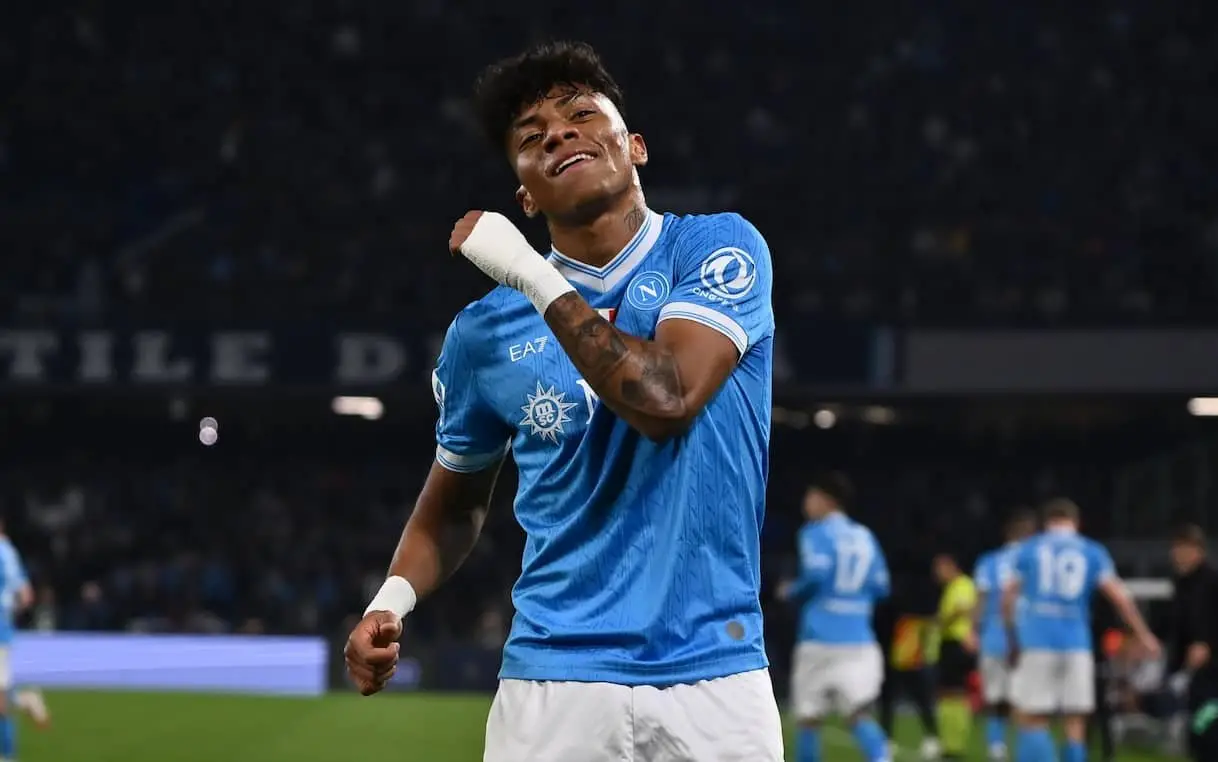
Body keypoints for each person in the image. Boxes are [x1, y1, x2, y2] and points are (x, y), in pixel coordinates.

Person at [344, 41, 782, 761]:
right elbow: (454, 505)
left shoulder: (715, 250)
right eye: (531, 137)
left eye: (581, 115)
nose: (557, 134)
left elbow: (667, 397)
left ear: (634, 146)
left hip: (715, 676)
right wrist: (388, 603)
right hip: (551, 683)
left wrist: (531, 275)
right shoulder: (483, 334)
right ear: (524, 196)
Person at [1003, 498, 1161, 762]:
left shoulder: (1029, 549)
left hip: (1038, 642)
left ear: (1045, 523)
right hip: (1077, 645)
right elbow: (1120, 597)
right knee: (1075, 721)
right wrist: (1144, 635)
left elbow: (1007, 598)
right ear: (1076, 522)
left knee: (1033, 717)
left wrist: (1011, 638)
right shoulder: (1092, 551)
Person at [779, 474, 892, 762]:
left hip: (820, 636)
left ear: (826, 499)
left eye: (810, 496)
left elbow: (816, 574)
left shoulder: (815, 532)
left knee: (808, 717)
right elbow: (882, 586)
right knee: (858, 714)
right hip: (860, 639)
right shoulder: (865, 535)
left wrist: (790, 590)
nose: (806, 503)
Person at [972, 509, 1037, 761]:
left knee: (995, 697)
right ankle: (1023, 749)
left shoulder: (989, 561)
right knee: (1023, 699)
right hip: (1026, 638)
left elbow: (981, 598)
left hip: (992, 636)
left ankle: (996, 746)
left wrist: (973, 631)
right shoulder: (1034, 560)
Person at [1166, 524, 1218, 760]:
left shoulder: (1212, 581)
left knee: (1207, 727)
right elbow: (1176, 626)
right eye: (1176, 549)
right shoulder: (1180, 584)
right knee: (1197, 731)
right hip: (1194, 672)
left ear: (1198, 551)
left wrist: (1207, 644)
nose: (1178, 555)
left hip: (1213, 671)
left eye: (1183, 549)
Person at [0, 521, 48, 762]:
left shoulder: (4, 552)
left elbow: (26, 594)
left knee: (0, 699)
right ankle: (25, 700)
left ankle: (8, 755)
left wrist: (6, 613)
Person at [932, 552, 978, 760]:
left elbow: (962, 609)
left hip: (957, 642)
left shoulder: (963, 584)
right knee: (946, 692)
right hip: (950, 643)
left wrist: (941, 621)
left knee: (955, 692)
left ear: (951, 566)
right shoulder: (952, 587)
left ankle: (956, 742)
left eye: (940, 568)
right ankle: (949, 741)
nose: (937, 573)